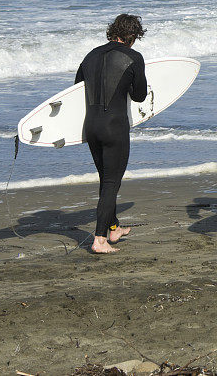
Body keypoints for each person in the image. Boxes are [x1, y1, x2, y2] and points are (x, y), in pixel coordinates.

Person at [75, 14, 148, 253]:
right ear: (133, 36)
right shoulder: (134, 57)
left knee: (106, 180)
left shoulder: (90, 56)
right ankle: (99, 240)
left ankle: (114, 228)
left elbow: (75, 90)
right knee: (111, 182)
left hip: (91, 127)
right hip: (115, 126)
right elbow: (139, 96)